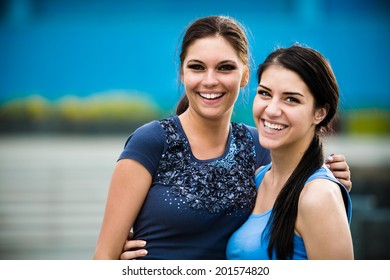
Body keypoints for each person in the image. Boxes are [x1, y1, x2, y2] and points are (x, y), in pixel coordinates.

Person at [93, 16, 351, 260]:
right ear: (182, 73)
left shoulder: (260, 146)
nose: (210, 80)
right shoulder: (151, 141)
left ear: (245, 75)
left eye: (225, 68)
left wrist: (327, 178)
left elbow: (299, 183)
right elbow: (104, 255)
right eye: (197, 67)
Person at [226, 45, 353, 259]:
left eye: (291, 99)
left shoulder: (318, 196)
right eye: (265, 93)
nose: (272, 110)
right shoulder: (258, 179)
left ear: (320, 113)